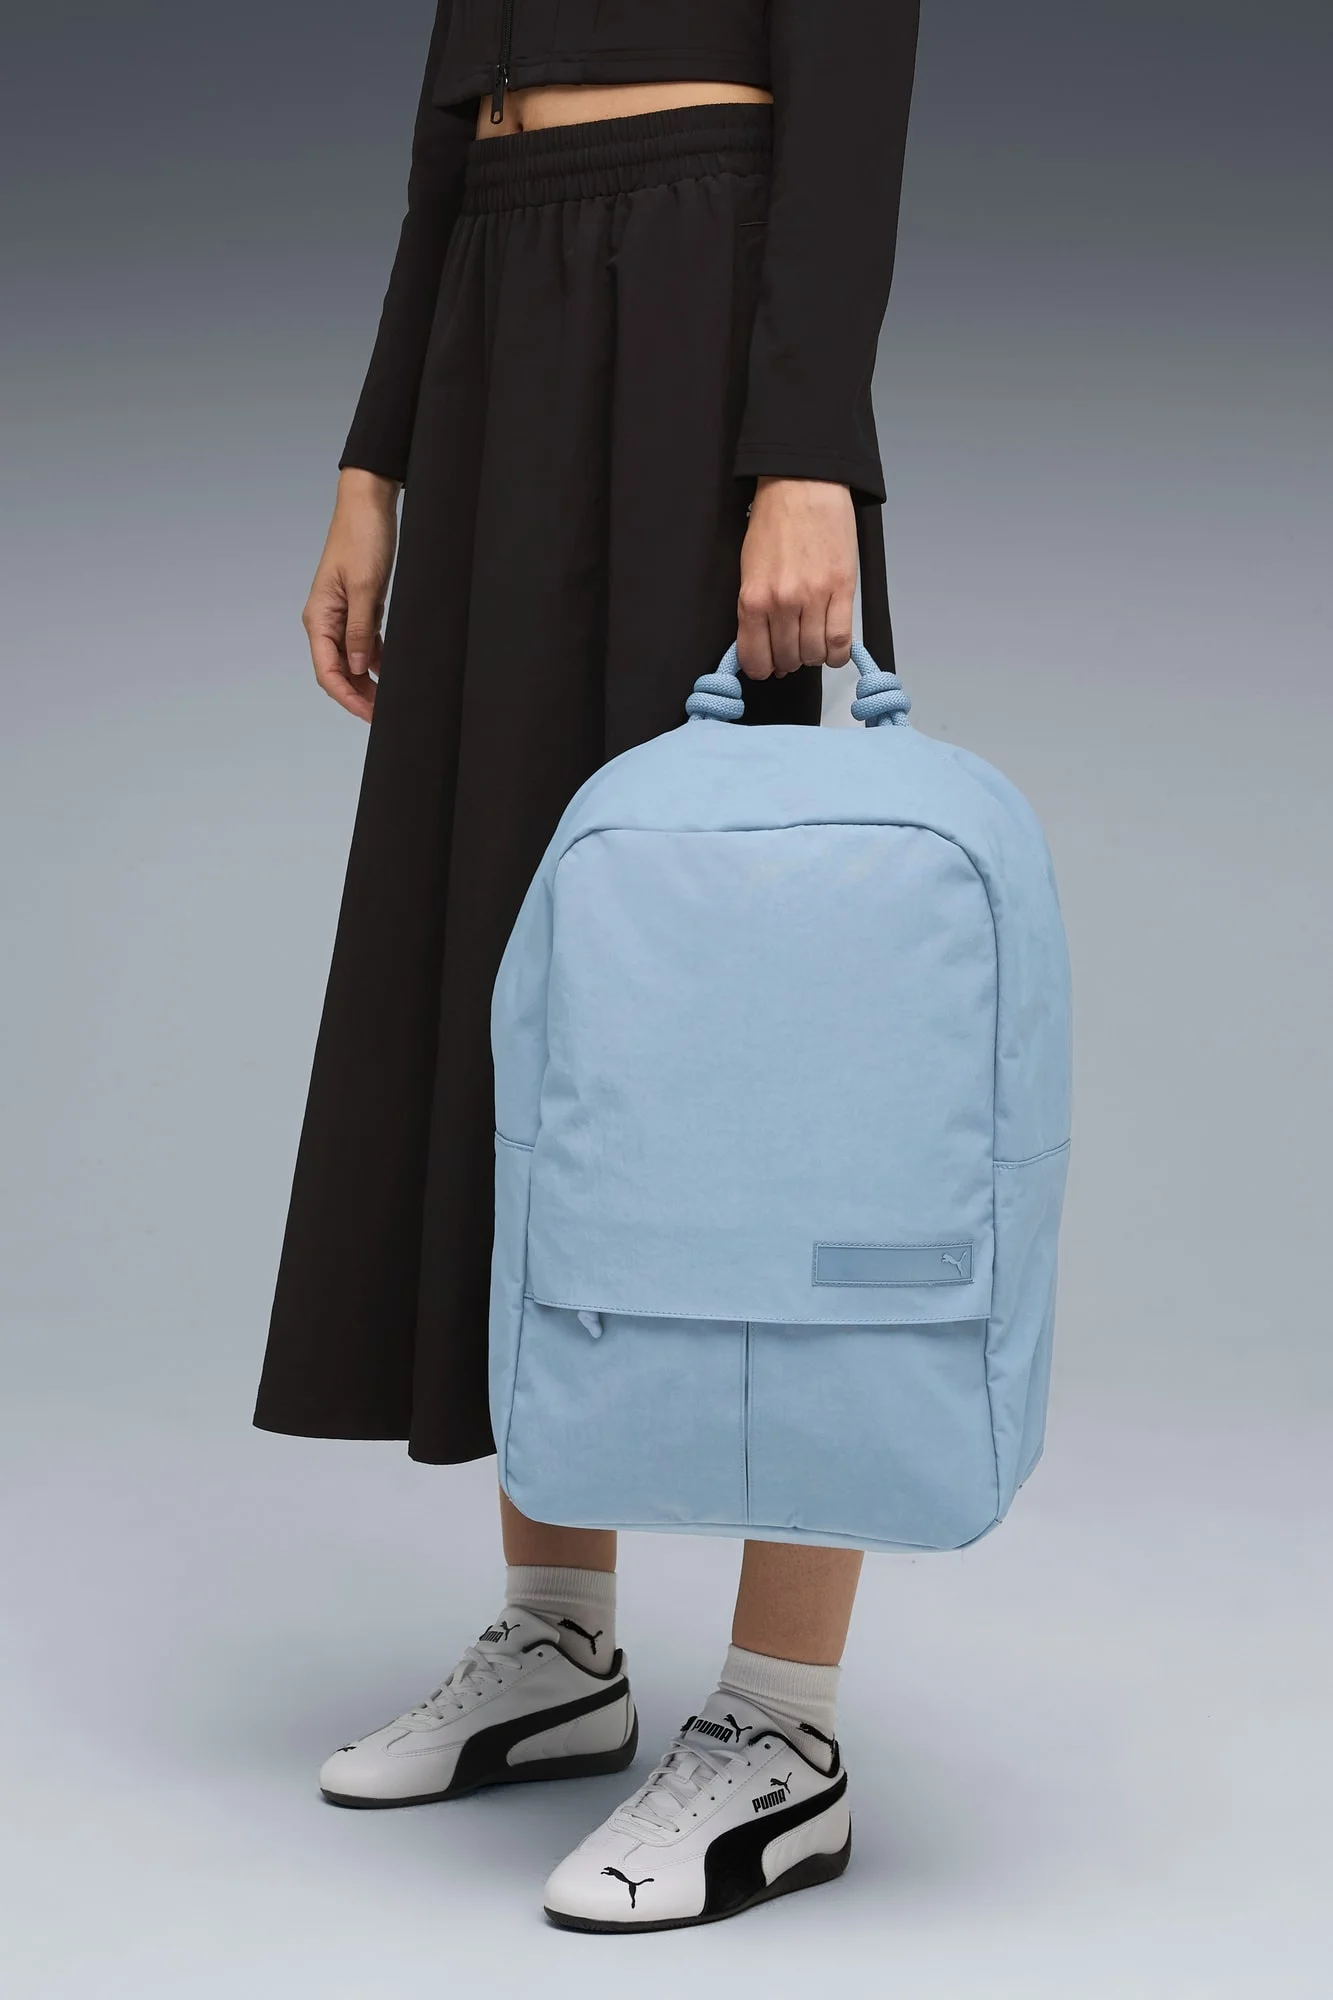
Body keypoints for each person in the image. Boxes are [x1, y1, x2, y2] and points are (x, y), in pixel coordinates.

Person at [253, 0, 920, 1932]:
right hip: (501, 304)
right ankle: (559, 1642)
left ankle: (786, 1723)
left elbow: (857, 60)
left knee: (763, 1020)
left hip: (706, 304)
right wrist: (377, 452)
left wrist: (807, 445)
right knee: (515, 985)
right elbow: (453, 93)